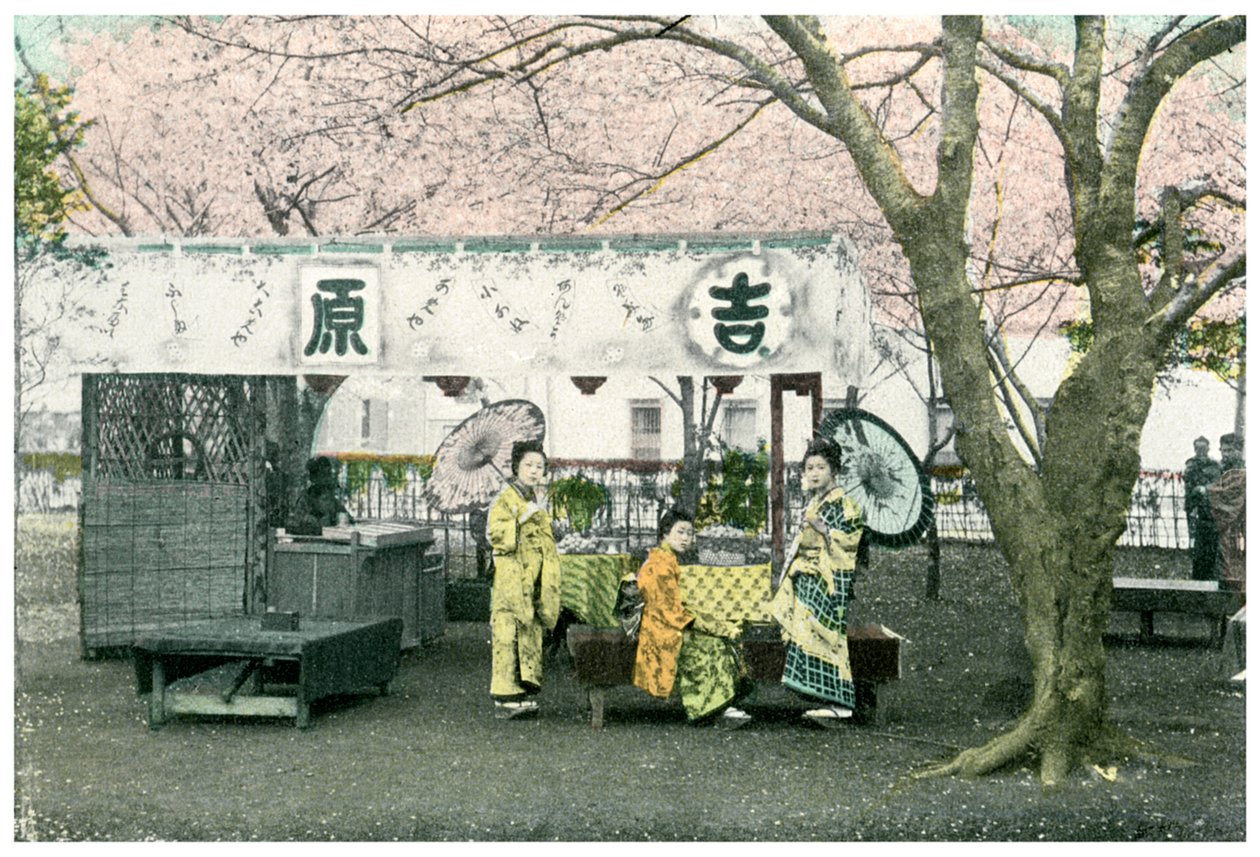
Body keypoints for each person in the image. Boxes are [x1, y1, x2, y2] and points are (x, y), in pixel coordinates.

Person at [770, 439, 864, 727]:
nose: (813, 473)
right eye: (809, 468)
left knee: (826, 635)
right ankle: (823, 697)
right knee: (806, 632)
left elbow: (849, 545)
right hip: (807, 576)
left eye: (821, 467)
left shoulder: (845, 506)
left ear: (834, 471)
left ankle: (841, 702)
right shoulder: (815, 503)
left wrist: (825, 531)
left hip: (827, 580)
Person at [632, 509, 753, 728]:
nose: (686, 538)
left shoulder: (666, 558)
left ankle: (720, 702)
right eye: (680, 532)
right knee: (711, 644)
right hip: (661, 630)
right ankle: (708, 707)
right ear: (664, 534)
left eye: (689, 533)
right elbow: (668, 611)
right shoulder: (659, 564)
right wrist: (709, 627)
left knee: (717, 640)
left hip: (665, 623)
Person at [486, 440, 560, 719]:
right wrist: (518, 521)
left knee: (527, 631)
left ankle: (522, 691)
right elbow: (494, 535)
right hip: (510, 575)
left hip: (529, 576)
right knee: (508, 631)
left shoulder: (530, 498)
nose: (533, 470)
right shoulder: (504, 498)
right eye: (528, 464)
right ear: (516, 466)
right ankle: (505, 697)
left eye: (539, 466)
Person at [1209, 433, 1246, 591]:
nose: (1225, 454)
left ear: (1239, 450)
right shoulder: (1220, 470)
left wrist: (1207, 491)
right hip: (1225, 529)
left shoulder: (1242, 473)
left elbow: (1230, 496)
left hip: (1239, 525)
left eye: (1230, 450)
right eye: (1223, 450)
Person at [1184, 436, 1223, 581]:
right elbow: (1188, 486)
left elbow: (1218, 485)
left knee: (1212, 544)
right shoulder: (1191, 464)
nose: (1200, 451)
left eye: (1203, 448)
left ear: (1208, 448)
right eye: (1197, 448)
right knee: (1196, 544)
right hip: (1195, 509)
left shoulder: (1214, 465)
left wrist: (1205, 489)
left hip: (1211, 511)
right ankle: (1198, 576)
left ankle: (1210, 575)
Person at [286, 456, 353, 534]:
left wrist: (341, 520)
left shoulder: (333, 501)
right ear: (313, 478)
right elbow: (292, 526)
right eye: (323, 475)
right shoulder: (305, 500)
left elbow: (349, 520)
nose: (328, 479)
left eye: (329, 474)